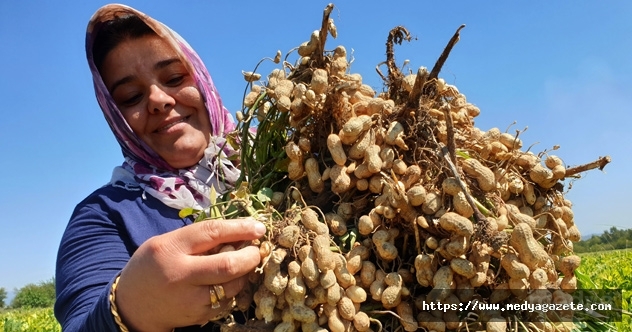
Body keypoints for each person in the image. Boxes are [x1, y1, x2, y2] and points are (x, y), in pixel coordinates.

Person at [55, 4, 265, 331]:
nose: (158, 99)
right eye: (130, 97)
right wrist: (130, 307)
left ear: (202, 80)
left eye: (174, 78)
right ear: (116, 119)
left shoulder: (281, 160)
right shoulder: (103, 216)